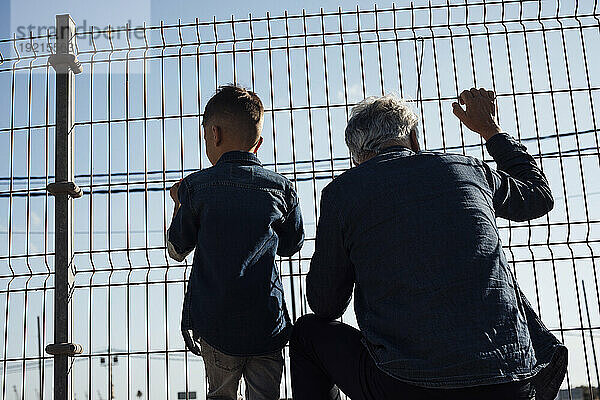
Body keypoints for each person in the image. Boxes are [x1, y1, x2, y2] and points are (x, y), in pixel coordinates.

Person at [290, 88, 567, 400]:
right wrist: (491, 130)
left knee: (307, 333)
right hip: (508, 380)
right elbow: (538, 196)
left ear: (356, 158)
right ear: (414, 139)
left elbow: (325, 304)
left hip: (405, 385)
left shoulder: (342, 193)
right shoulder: (469, 170)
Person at [166, 85, 304, 400]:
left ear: (214, 134)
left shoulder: (197, 189)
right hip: (266, 325)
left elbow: (176, 250)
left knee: (220, 395)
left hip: (216, 325)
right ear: (258, 144)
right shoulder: (281, 190)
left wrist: (178, 202)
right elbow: (291, 245)